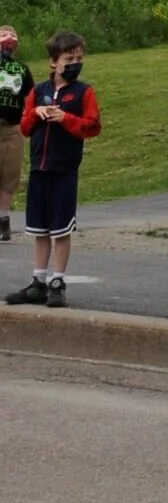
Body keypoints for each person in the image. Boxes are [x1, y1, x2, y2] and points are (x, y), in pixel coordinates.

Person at [3, 31, 99, 308]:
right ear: (53, 62)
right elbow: (23, 126)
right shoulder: (40, 90)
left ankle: (58, 281)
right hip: (39, 169)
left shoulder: (84, 91)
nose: (75, 63)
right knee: (39, 230)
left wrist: (65, 118)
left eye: (79, 58)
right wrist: (37, 114)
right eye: (69, 58)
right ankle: (38, 281)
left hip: (64, 169)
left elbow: (92, 126)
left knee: (60, 230)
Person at [0, 22, 34, 247]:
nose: (8, 49)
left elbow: (30, 98)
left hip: (12, 128)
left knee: (9, 175)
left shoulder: (21, 69)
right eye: (4, 44)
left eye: (11, 44)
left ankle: (3, 219)